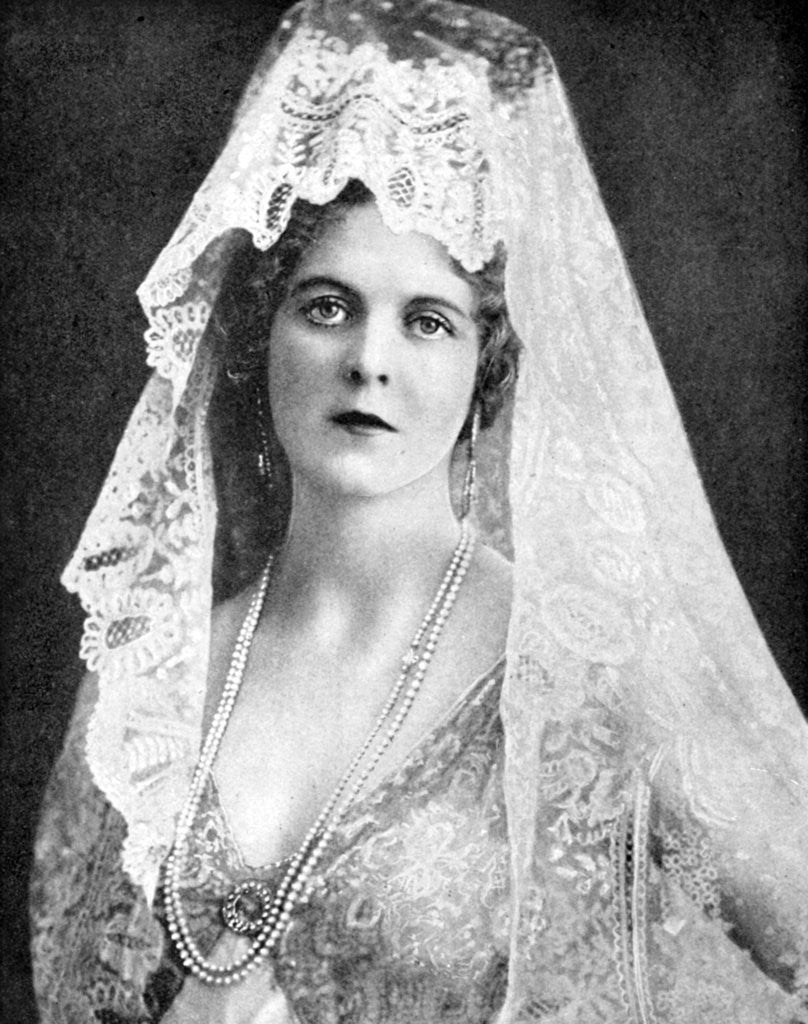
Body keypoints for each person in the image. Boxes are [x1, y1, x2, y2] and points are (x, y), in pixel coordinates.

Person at [30, 1, 808, 1022]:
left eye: (427, 321)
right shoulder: (157, 684)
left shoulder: (589, 669)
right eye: (326, 305)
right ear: (263, 332)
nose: (369, 358)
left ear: (484, 364)